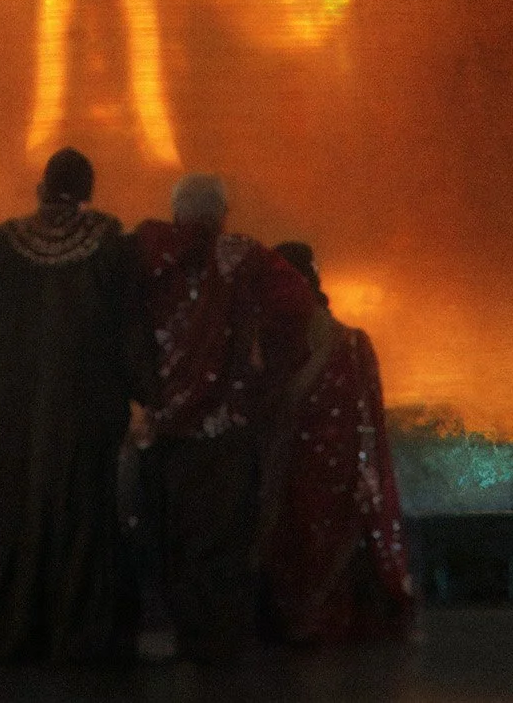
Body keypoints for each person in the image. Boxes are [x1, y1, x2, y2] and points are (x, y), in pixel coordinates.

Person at [129, 173, 322, 663]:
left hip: (162, 422)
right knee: (222, 533)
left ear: (177, 213)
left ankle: (186, 635)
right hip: (224, 423)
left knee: (171, 532)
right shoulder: (245, 255)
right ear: (222, 215)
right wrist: (262, 364)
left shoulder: (143, 251)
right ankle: (221, 645)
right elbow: (298, 304)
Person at [0, 147, 141, 663]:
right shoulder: (110, 242)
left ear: (42, 187)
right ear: (88, 192)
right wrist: (149, 397)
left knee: (11, 517)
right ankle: (78, 637)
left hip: (8, 413)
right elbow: (128, 333)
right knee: (81, 514)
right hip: (84, 411)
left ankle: (10, 633)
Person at [260, 241, 416, 645]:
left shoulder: (268, 344)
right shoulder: (351, 343)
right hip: (343, 476)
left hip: (287, 479)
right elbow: (370, 426)